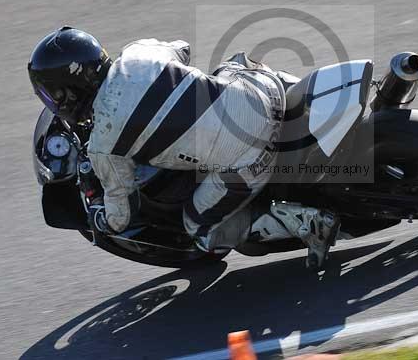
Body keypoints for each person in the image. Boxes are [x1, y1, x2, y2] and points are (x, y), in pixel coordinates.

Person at [28, 27, 340, 269]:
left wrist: (99, 218)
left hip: (253, 156)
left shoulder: (104, 146)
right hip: (263, 89)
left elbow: (121, 216)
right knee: (228, 66)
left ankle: (308, 222)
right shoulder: (137, 54)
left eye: (51, 96)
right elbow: (182, 49)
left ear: (68, 91)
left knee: (199, 227)